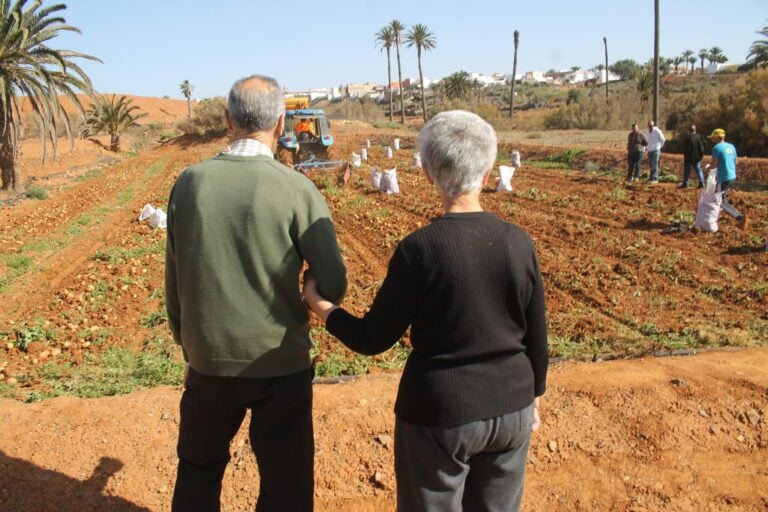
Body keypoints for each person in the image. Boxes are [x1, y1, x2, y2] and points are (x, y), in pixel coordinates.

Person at [303, 110, 549, 512]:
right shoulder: (519, 242)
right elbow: (536, 335)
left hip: (440, 414)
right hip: (513, 408)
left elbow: (372, 338)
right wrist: (533, 395)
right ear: (488, 172)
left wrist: (321, 306)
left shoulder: (420, 250)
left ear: (429, 174)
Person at [165, 74, 347, 511]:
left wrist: (188, 348)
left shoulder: (189, 184)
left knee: (198, 471)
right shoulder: (297, 189)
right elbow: (335, 282)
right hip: (280, 366)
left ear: (228, 120)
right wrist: (307, 287)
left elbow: (175, 277)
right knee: (286, 482)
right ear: (282, 122)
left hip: (209, 362)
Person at [708, 128, 748, 230]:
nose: (712, 139)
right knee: (723, 198)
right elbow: (736, 161)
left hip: (723, 177)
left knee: (719, 200)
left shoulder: (717, 148)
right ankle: (720, 216)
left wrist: (708, 168)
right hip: (731, 175)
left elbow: (714, 164)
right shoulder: (731, 146)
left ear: (717, 137)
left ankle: (739, 217)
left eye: (713, 137)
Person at [680, 124, 706, 188]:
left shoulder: (688, 138)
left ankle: (685, 183)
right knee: (698, 169)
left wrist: (686, 156)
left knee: (687, 170)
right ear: (695, 130)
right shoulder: (700, 136)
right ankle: (701, 182)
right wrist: (701, 154)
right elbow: (704, 144)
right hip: (698, 157)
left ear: (689, 130)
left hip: (689, 158)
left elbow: (685, 148)